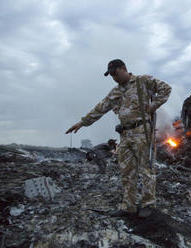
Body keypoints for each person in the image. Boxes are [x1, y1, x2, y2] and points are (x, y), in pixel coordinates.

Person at [66, 59, 171, 217]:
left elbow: (166, 89)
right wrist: (82, 122)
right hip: (125, 134)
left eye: (115, 73)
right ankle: (128, 206)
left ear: (123, 69)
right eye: (111, 75)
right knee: (127, 170)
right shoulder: (115, 92)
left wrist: (153, 105)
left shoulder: (143, 81)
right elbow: (101, 107)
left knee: (146, 169)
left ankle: (148, 204)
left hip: (142, 131)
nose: (114, 78)